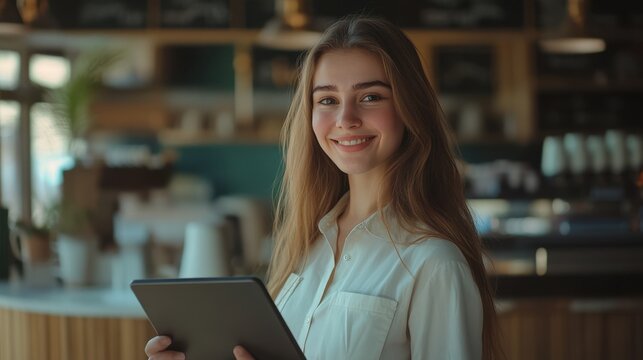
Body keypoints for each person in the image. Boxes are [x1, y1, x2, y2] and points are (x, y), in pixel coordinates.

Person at [145, 15, 503, 360]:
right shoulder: (307, 245)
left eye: (371, 97)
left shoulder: (435, 264)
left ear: (410, 107)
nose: (346, 119)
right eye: (327, 100)